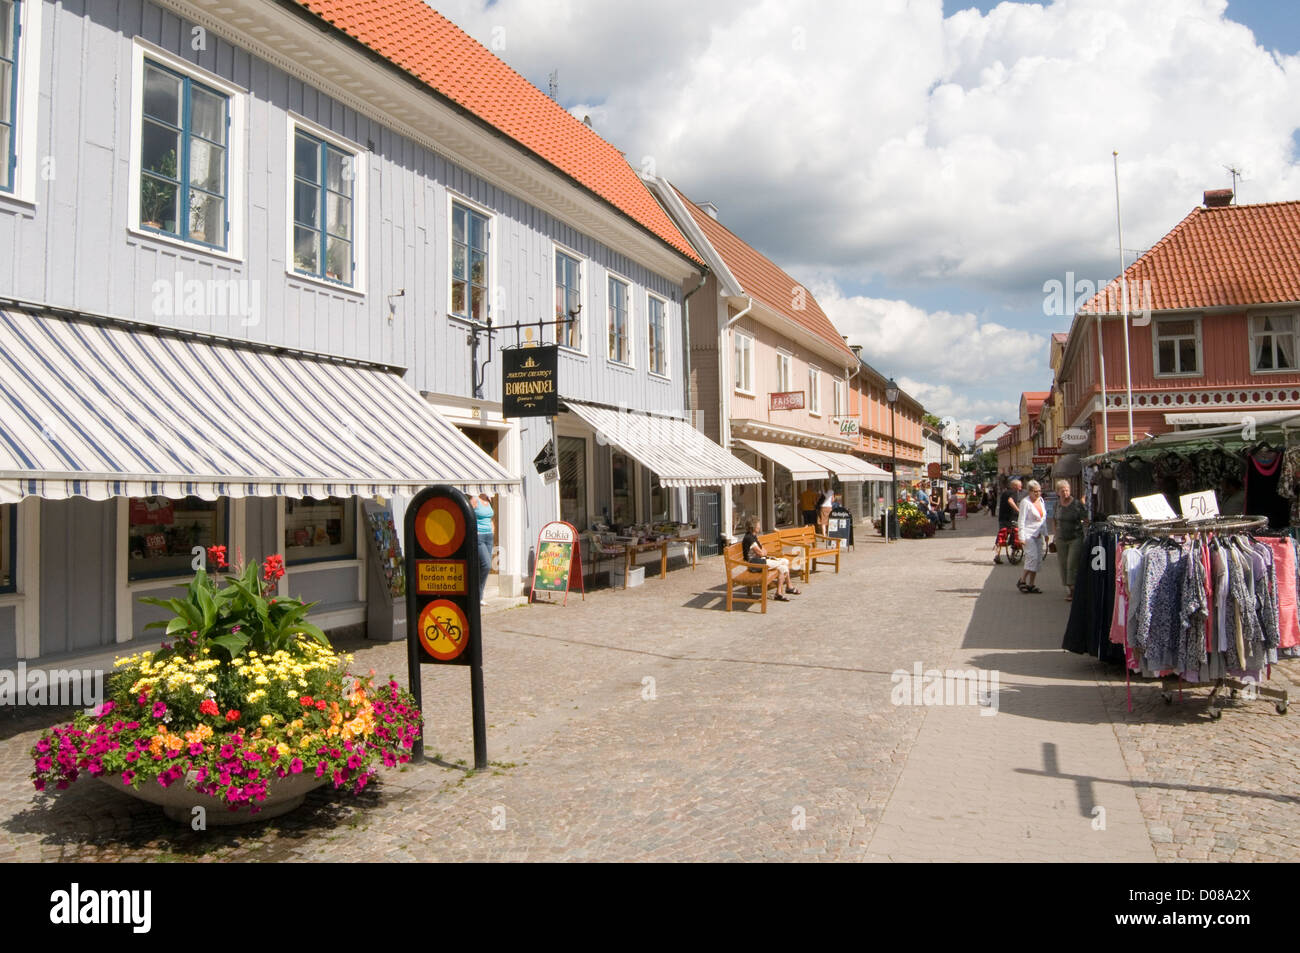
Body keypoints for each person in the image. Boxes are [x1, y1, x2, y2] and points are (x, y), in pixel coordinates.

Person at [740, 516, 798, 600]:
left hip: (760, 561)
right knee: (784, 563)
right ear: (753, 526)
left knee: (784, 565)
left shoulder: (753, 536)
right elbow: (761, 552)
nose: (759, 527)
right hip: (755, 564)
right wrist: (762, 553)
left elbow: (763, 550)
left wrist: (762, 552)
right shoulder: (749, 538)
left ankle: (779, 593)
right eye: (758, 525)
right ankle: (787, 588)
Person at [1052, 479, 1088, 602]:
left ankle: (1073, 590)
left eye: (1067, 490)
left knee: (1072, 563)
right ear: (1058, 492)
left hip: (1075, 537)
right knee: (1063, 564)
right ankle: (1069, 587)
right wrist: (1055, 534)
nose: (1065, 493)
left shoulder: (1077, 504)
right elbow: (1054, 520)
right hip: (1061, 539)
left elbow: (1086, 519)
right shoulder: (1057, 504)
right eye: (1063, 491)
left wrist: (1087, 532)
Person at [1017, 480, 1048, 593]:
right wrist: (1021, 537)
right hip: (1028, 534)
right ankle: (1022, 580)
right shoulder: (1025, 502)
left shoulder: (1041, 500)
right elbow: (1021, 520)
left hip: (1039, 534)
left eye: (1039, 491)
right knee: (1032, 558)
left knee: (1038, 559)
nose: (1038, 493)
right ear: (1029, 492)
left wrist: (1046, 534)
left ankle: (1031, 584)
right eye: (1035, 492)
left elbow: (1043, 519)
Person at [472, 493, 495, 605]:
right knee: (486, 565)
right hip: (479, 536)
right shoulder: (475, 499)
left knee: (485, 566)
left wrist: (492, 530)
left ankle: (479, 596)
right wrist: (473, 531)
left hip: (489, 536)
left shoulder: (489, 499)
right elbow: (467, 515)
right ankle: (476, 595)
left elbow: (490, 517)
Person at [994, 479, 1021, 564]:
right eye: (1019, 485)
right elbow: (1010, 501)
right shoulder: (1010, 492)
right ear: (1014, 486)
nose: (1021, 487)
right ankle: (1013, 555)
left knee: (1002, 536)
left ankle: (997, 556)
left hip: (1004, 518)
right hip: (1009, 519)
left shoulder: (1008, 492)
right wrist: (1018, 510)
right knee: (1014, 536)